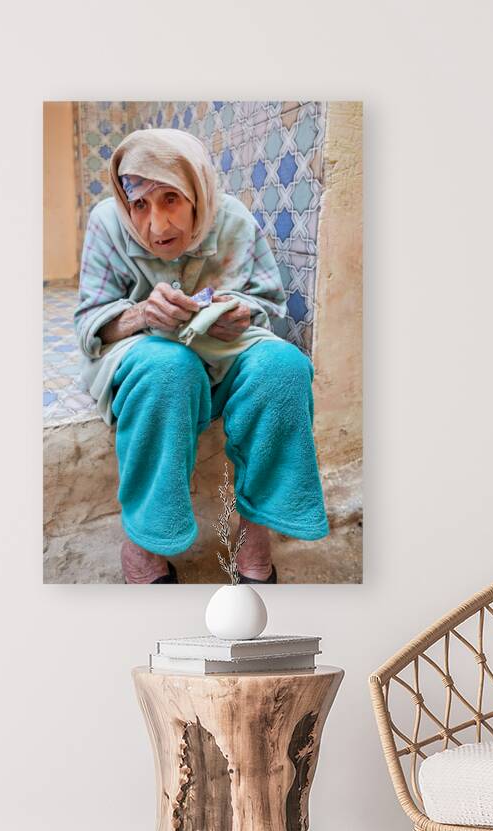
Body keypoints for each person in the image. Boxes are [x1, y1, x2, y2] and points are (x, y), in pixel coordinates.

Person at [74, 128, 328, 584]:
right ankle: (145, 544)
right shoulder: (106, 224)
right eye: (140, 205)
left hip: (227, 351)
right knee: (170, 368)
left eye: (171, 198)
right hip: (145, 352)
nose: (156, 226)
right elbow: (90, 321)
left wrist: (242, 313)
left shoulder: (232, 220)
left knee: (283, 368)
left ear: (197, 190)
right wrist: (140, 315)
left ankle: (254, 536)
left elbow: (269, 304)